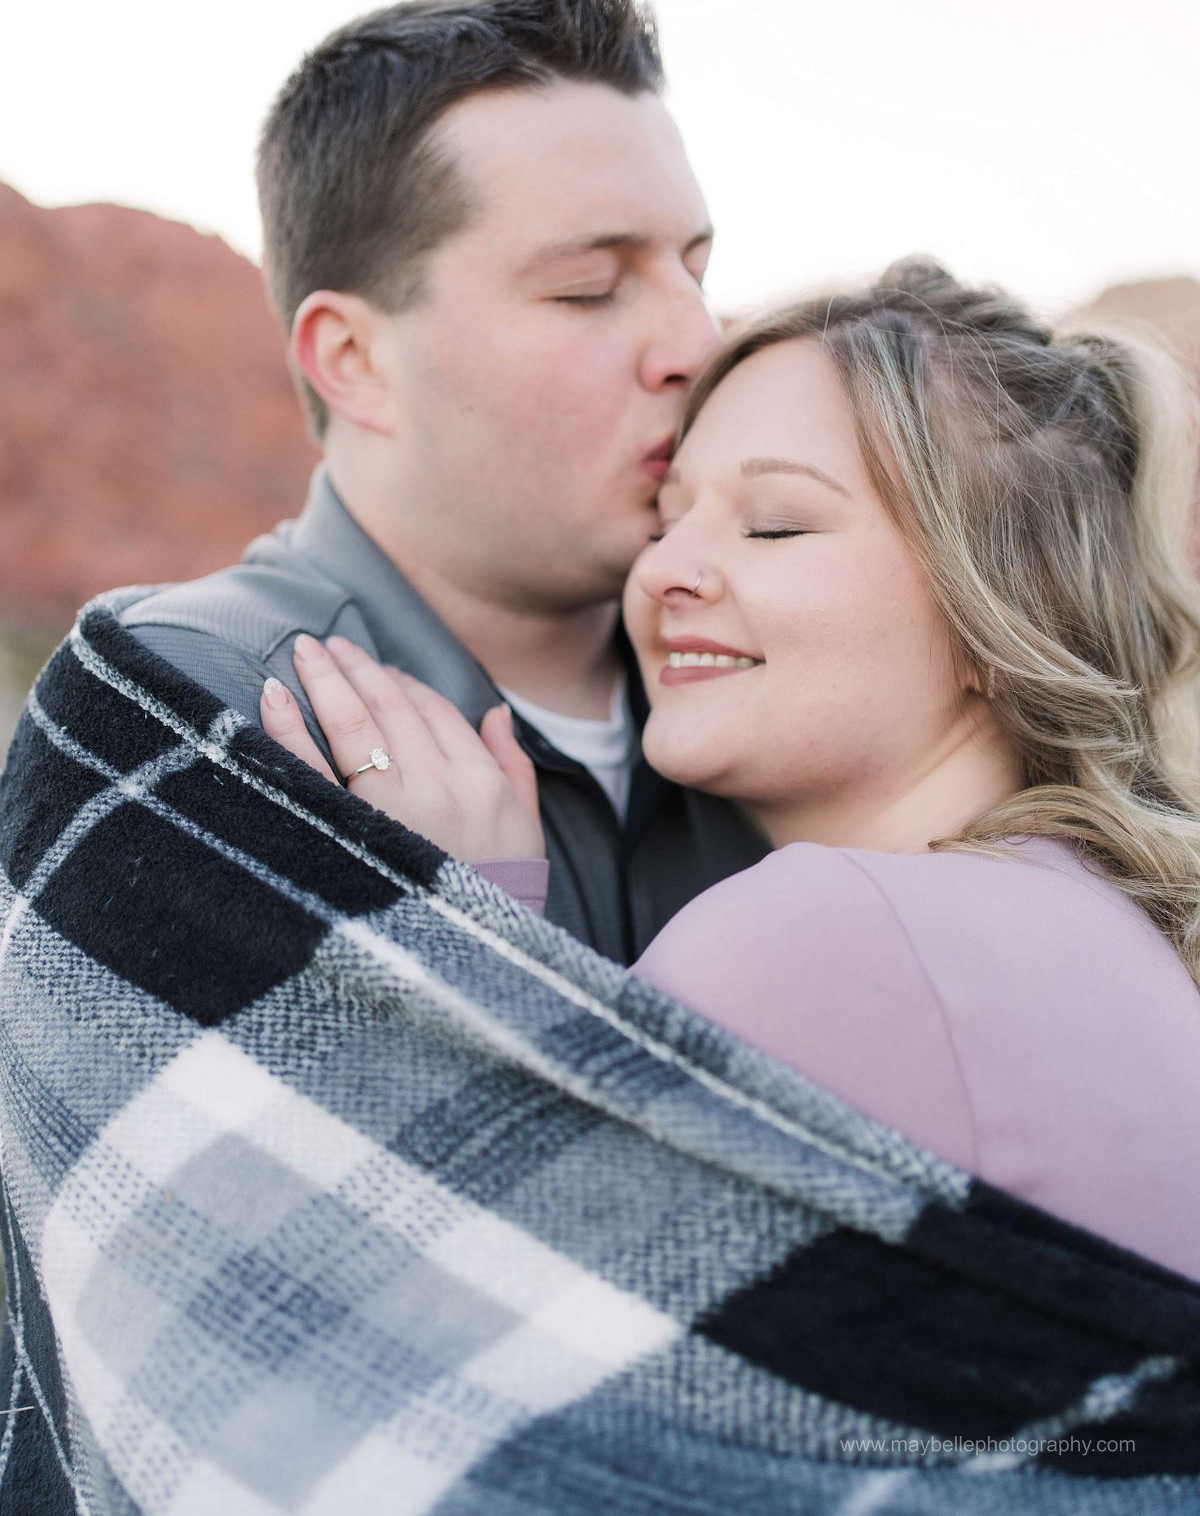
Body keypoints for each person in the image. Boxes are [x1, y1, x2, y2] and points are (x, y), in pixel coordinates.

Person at [262, 258, 1200, 1284]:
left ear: (1002, 614)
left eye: (776, 524)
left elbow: (457, 1311)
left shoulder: (823, 931)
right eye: (666, 521)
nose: (662, 570)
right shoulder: (1110, 921)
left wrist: (463, 939)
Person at [115, 0, 767, 962]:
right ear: (355, 360)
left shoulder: (797, 671)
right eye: (589, 289)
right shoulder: (183, 704)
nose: (700, 342)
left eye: (696, 271)